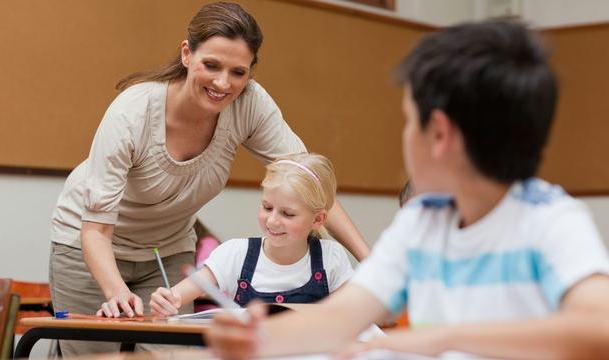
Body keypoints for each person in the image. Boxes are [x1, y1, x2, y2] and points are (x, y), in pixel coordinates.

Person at [205, 19, 609, 360]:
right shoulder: (422, 221)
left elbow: (599, 328)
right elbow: (343, 317)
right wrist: (257, 338)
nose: (405, 136)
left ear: (439, 134)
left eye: (409, 121)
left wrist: (446, 338)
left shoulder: (549, 219)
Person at [48, 2, 368, 356]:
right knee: (97, 355)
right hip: (91, 246)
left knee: (167, 353)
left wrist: (370, 262)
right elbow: (95, 229)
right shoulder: (133, 112)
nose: (222, 83)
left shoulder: (249, 105)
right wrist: (115, 291)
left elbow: (311, 185)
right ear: (187, 54)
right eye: (211, 65)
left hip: (166, 248)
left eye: (238, 72)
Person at [150, 153, 354, 316]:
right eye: (267, 207)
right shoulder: (235, 254)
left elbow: (351, 313)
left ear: (318, 220)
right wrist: (166, 300)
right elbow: (176, 296)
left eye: (287, 214)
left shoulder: (331, 258)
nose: (273, 220)